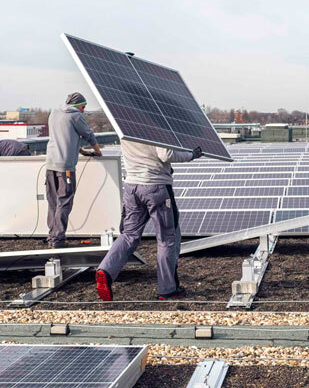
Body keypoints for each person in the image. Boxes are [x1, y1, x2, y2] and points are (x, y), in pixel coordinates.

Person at [95, 141, 203, 301]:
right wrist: (192, 154)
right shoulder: (155, 122)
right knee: (167, 238)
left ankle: (106, 270)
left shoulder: (124, 121)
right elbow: (166, 154)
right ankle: (168, 289)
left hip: (132, 187)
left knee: (129, 235)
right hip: (156, 186)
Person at [44, 92, 102, 248]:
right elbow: (89, 135)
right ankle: (58, 240)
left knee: (53, 202)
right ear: (77, 105)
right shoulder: (75, 116)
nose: (83, 110)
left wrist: (79, 149)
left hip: (50, 164)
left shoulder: (54, 113)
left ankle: (52, 237)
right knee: (64, 201)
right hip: (65, 168)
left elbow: (65, 136)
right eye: (83, 107)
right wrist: (97, 151)